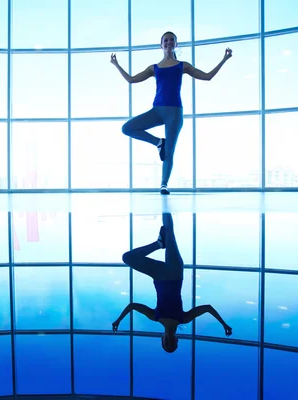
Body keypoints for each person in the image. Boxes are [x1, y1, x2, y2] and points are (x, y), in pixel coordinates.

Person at [110, 31, 233, 195]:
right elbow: (131, 79)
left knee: (170, 152)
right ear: (161, 45)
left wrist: (224, 59)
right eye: (165, 40)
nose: (168, 43)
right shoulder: (153, 68)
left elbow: (207, 76)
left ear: (176, 44)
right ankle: (158, 143)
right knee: (127, 128)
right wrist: (116, 64)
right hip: (157, 110)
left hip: (175, 113)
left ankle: (163, 184)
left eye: (171, 40)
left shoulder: (183, 65)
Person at [112, 212, 232, 353]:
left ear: (162, 338)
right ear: (177, 340)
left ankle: (158, 244)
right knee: (169, 231)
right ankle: (165, 201)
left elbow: (132, 306)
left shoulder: (155, 316)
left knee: (127, 258)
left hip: (158, 275)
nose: (169, 341)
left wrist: (118, 320)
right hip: (174, 273)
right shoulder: (184, 318)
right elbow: (207, 308)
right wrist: (224, 324)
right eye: (171, 344)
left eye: (166, 343)